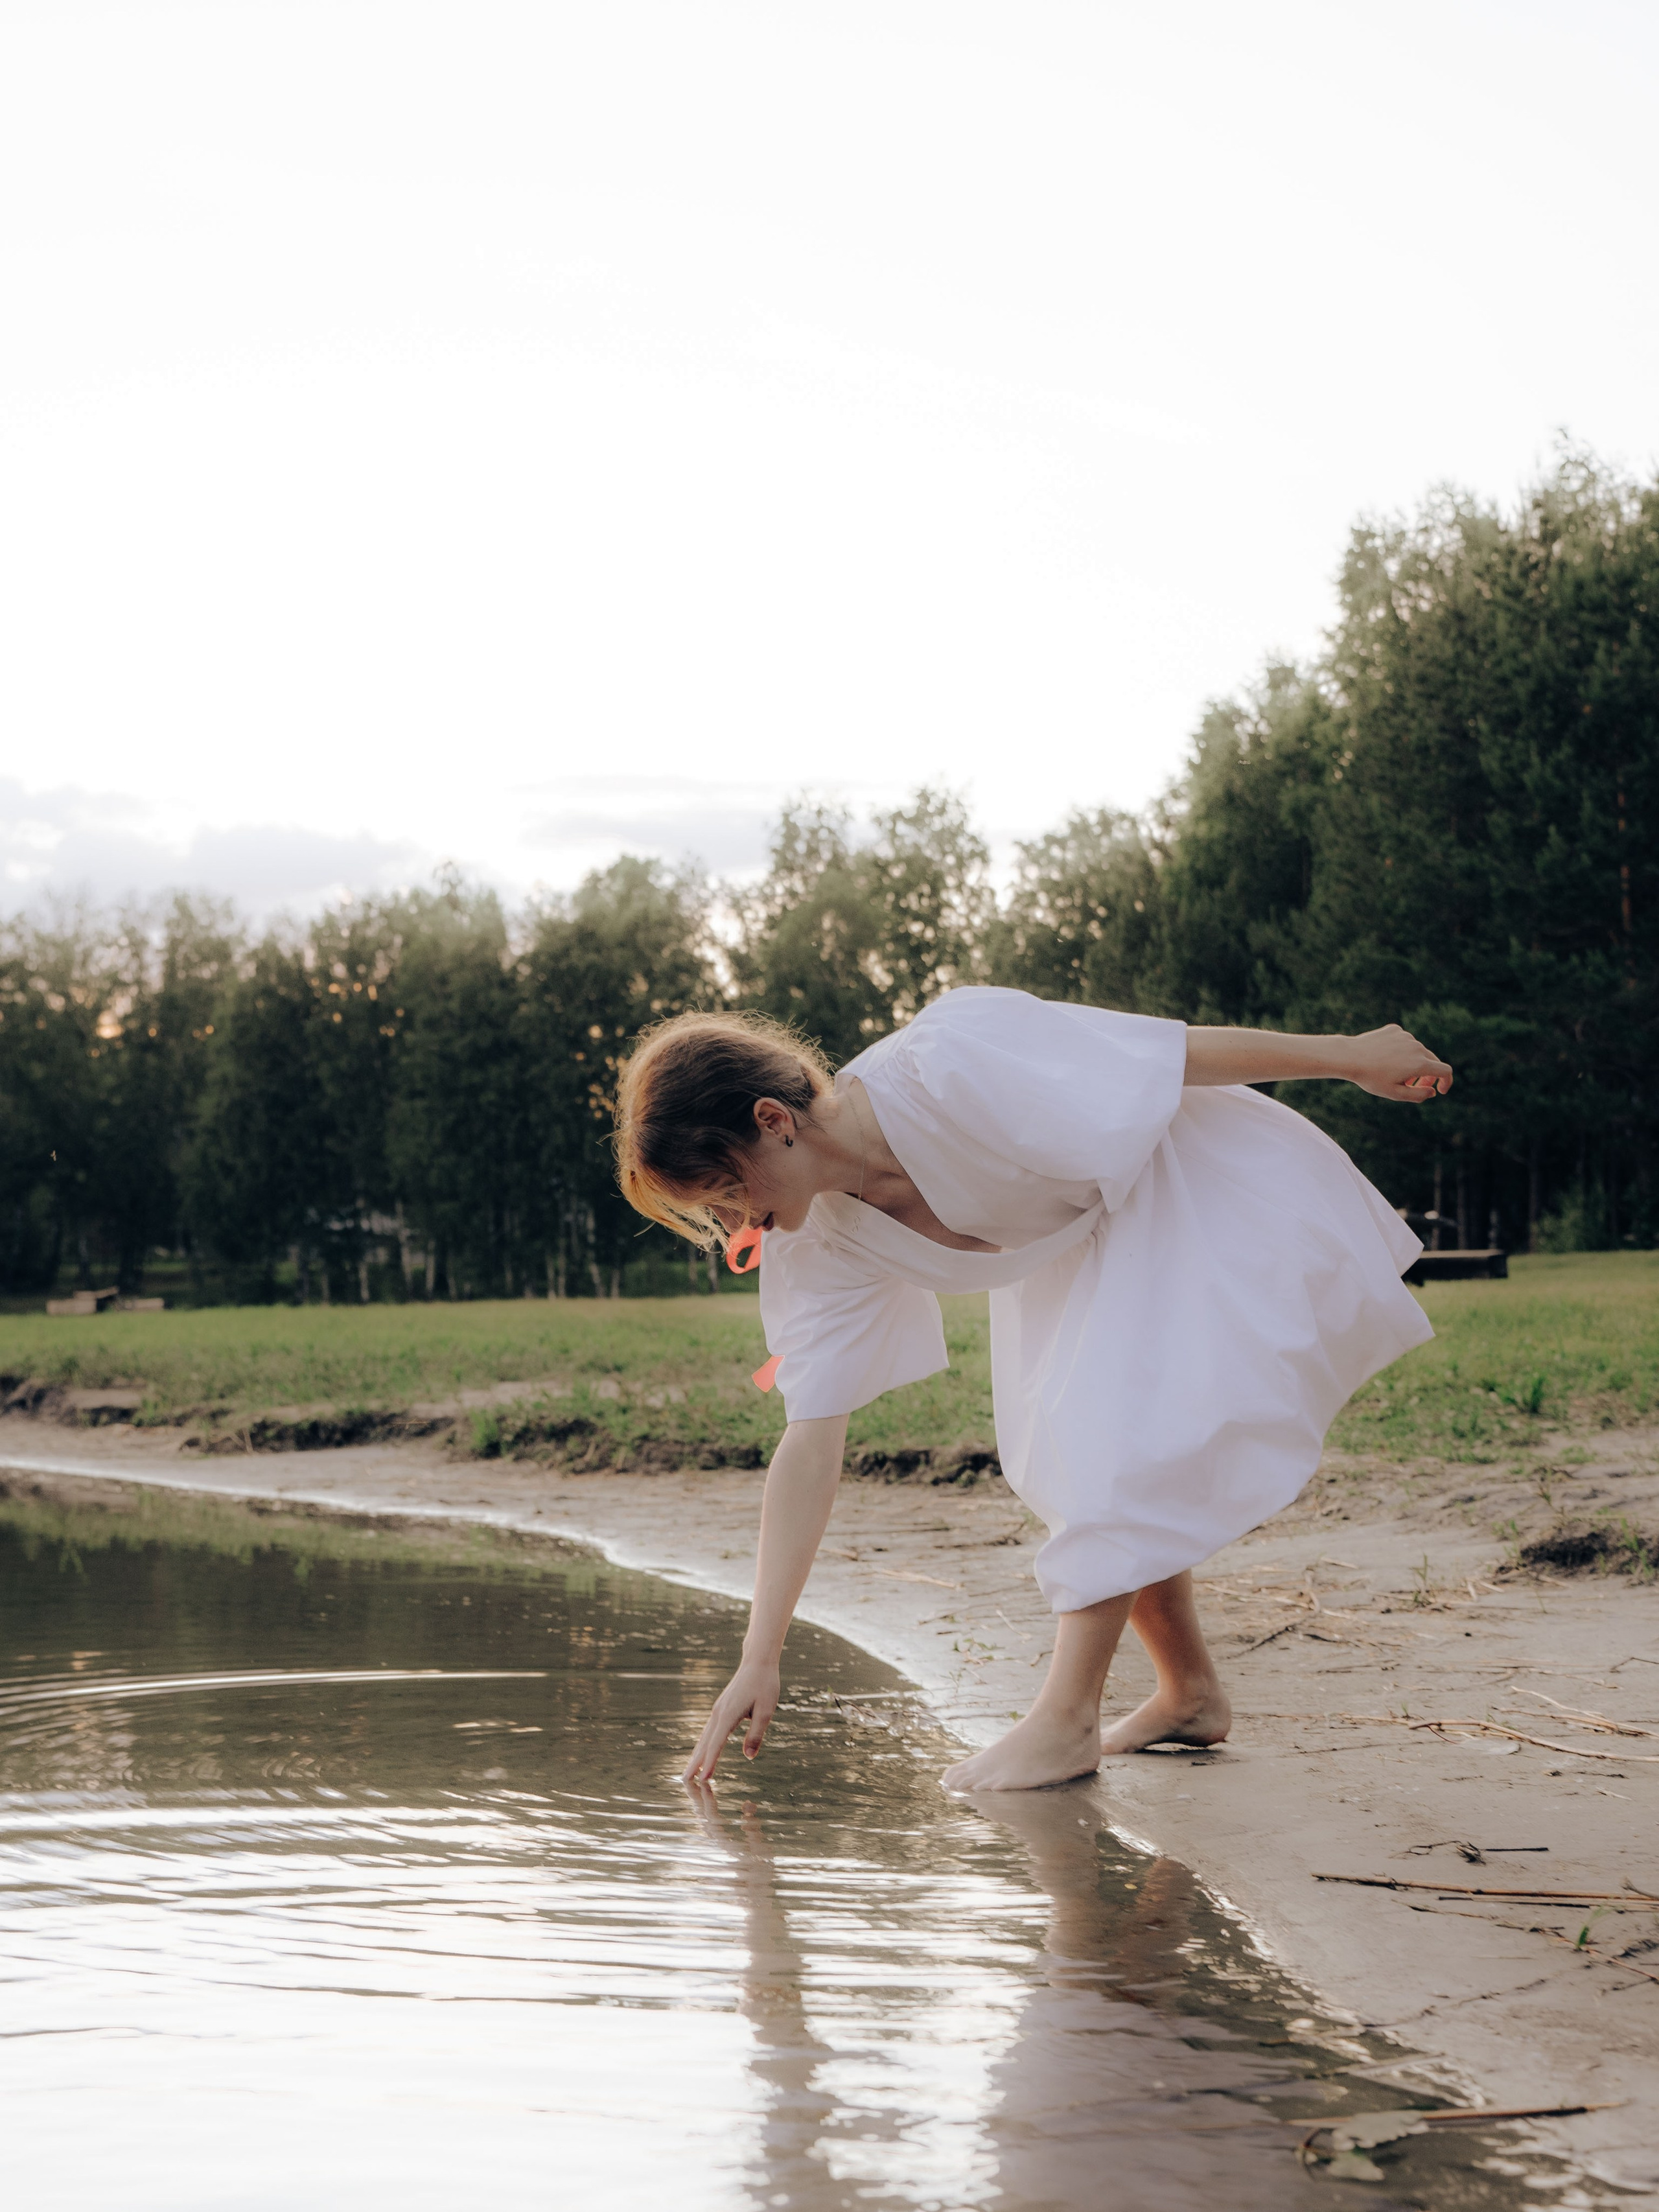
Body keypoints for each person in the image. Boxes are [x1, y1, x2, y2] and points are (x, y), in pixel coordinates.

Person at [613, 987, 1450, 1793]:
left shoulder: (951, 1060)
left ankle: (1066, 1715)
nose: (734, 1228)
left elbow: (1167, 1052)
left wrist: (1349, 1057)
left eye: (727, 1195)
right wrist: (760, 1653)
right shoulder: (816, 1241)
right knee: (1071, 1458)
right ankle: (1189, 1692)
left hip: (1176, 1179)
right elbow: (810, 1439)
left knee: (1107, 1438)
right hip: (1071, 1252)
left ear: (772, 1120)